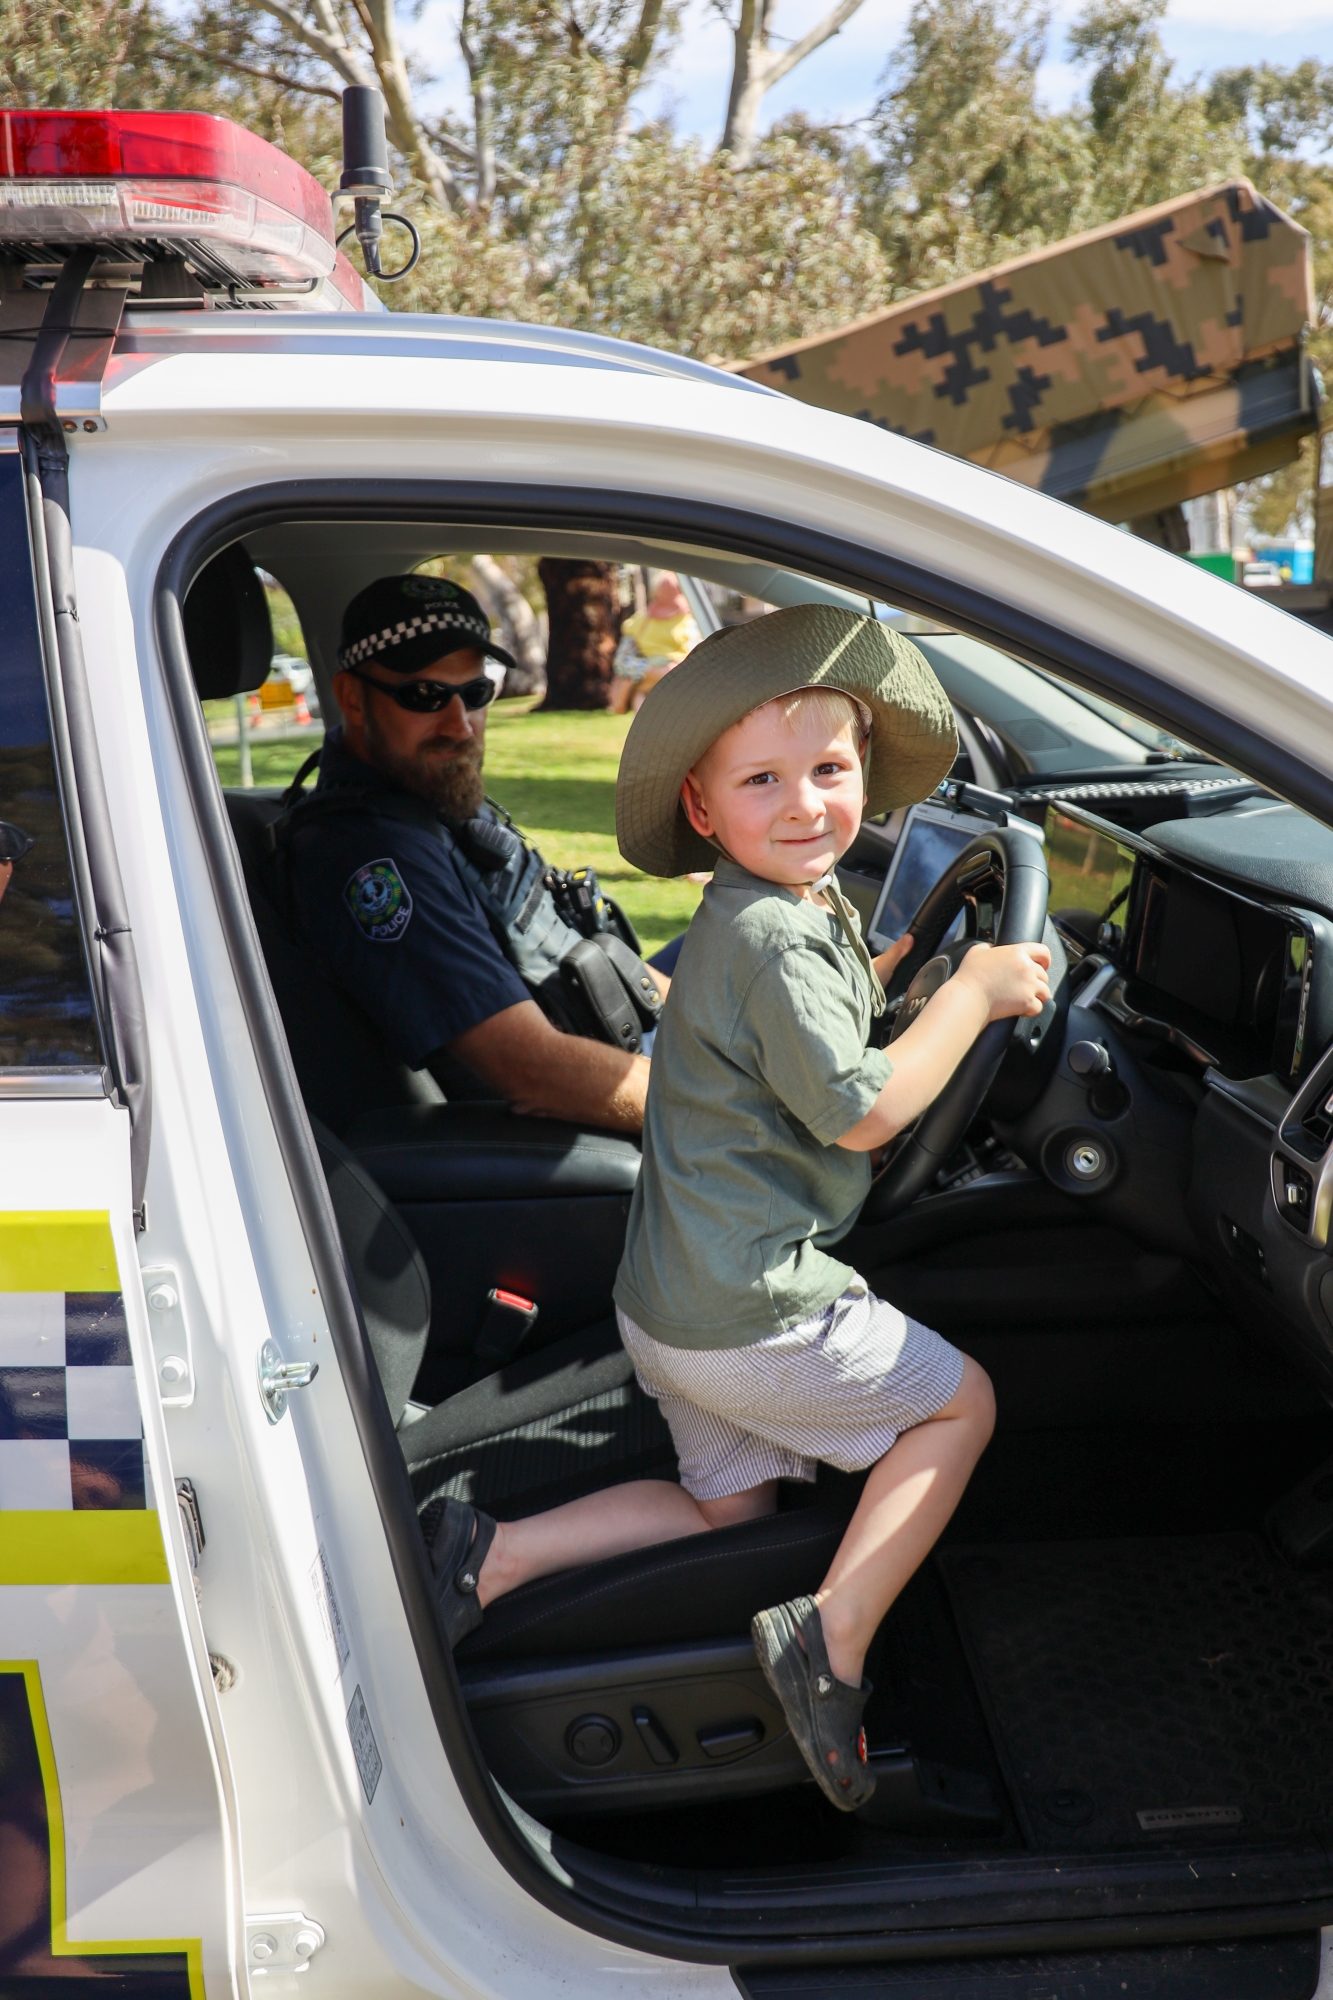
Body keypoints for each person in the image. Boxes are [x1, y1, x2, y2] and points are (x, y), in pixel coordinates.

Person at [425, 605, 1051, 1814]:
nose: (807, 801)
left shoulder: (773, 910)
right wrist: (968, 995)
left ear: (864, 775)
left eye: (829, 768)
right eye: (764, 779)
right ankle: (835, 1633)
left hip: (675, 1304)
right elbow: (865, 1113)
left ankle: (492, 1554)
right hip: (753, 1306)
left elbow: (821, 1020)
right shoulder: (773, 934)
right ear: (704, 810)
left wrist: (906, 975)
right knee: (958, 1404)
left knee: (726, 1506)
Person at [281, 574, 667, 1132]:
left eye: (476, 693)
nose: (459, 725)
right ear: (352, 699)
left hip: (624, 1028)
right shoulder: (376, 859)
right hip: (580, 1149)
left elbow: (573, 942)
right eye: (424, 697)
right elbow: (533, 1070)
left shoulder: (431, 795)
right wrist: (731, 1107)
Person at [608, 571, 700, 714]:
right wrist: (648, 670)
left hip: (676, 676)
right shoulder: (640, 622)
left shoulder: (690, 623)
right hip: (650, 675)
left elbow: (697, 657)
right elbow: (622, 661)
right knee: (641, 698)